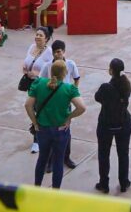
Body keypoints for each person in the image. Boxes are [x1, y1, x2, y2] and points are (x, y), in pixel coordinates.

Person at [26, 60, 87, 189]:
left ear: (50, 71)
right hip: (60, 130)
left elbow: (28, 105)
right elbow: (82, 107)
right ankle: (55, 192)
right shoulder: (69, 89)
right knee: (58, 161)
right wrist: (68, 118)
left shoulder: (39, 83)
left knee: (42, 159)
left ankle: (36, 188)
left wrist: (35, 122)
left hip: (42, 129)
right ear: (65, 73)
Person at [39, 40, 81, 172]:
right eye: (55, 52)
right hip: (51, 104)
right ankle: (50, 161)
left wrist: (73, 93)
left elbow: (77, 78)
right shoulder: (47, 66)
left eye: (59, 52)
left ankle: (66, 158)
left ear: (64, 52)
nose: (57, 55)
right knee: (51, 132)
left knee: (66, 131)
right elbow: (41, 82)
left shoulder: (70, 64)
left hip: (65, 104)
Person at [95, 58, 131, 194]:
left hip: (106, 124)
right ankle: (124, 182)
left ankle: (104, 183)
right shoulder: (126, 85)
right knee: (123, 154)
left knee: (104, 154)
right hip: (123, 123)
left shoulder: (106, 87)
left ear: (111, 70)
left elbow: (97, 97)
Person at [22, 27, 55, 154]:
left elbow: (51, 70)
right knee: (33, 109)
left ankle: (37, 140)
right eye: (36, 34)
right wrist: (26, 71)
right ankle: (38, 133)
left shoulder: (49, 52)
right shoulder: (31, 47)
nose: (37, 37)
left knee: (39, 111)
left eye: (40, 35)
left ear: (46, 39)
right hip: (31, 85)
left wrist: (36, 75)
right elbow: (26, 63)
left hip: (42, 85)